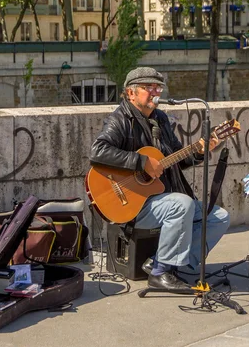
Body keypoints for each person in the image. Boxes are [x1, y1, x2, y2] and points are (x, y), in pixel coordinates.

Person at [89, 67, 230, 290]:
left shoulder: (160, 119)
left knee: (218, 217)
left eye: (158, 87)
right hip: (133, 205)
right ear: (131, 93)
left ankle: (177, 265)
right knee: (181, 204)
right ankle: (160, 272)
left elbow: (177, 158)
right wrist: (141, 162)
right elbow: (98, 151)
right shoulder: (120, 119)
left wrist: (200, 151)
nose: (155, 92)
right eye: (148, 87)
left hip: (162, 201)